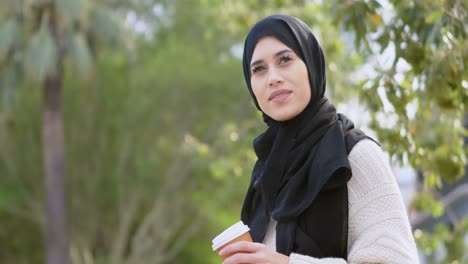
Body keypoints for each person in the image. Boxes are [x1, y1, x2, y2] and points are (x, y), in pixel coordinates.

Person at [218, 14, 419, 264]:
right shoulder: (267, 172)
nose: (273, 78)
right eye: (259, 69)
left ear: (311, 64)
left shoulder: (353, 155)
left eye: (285, 60)